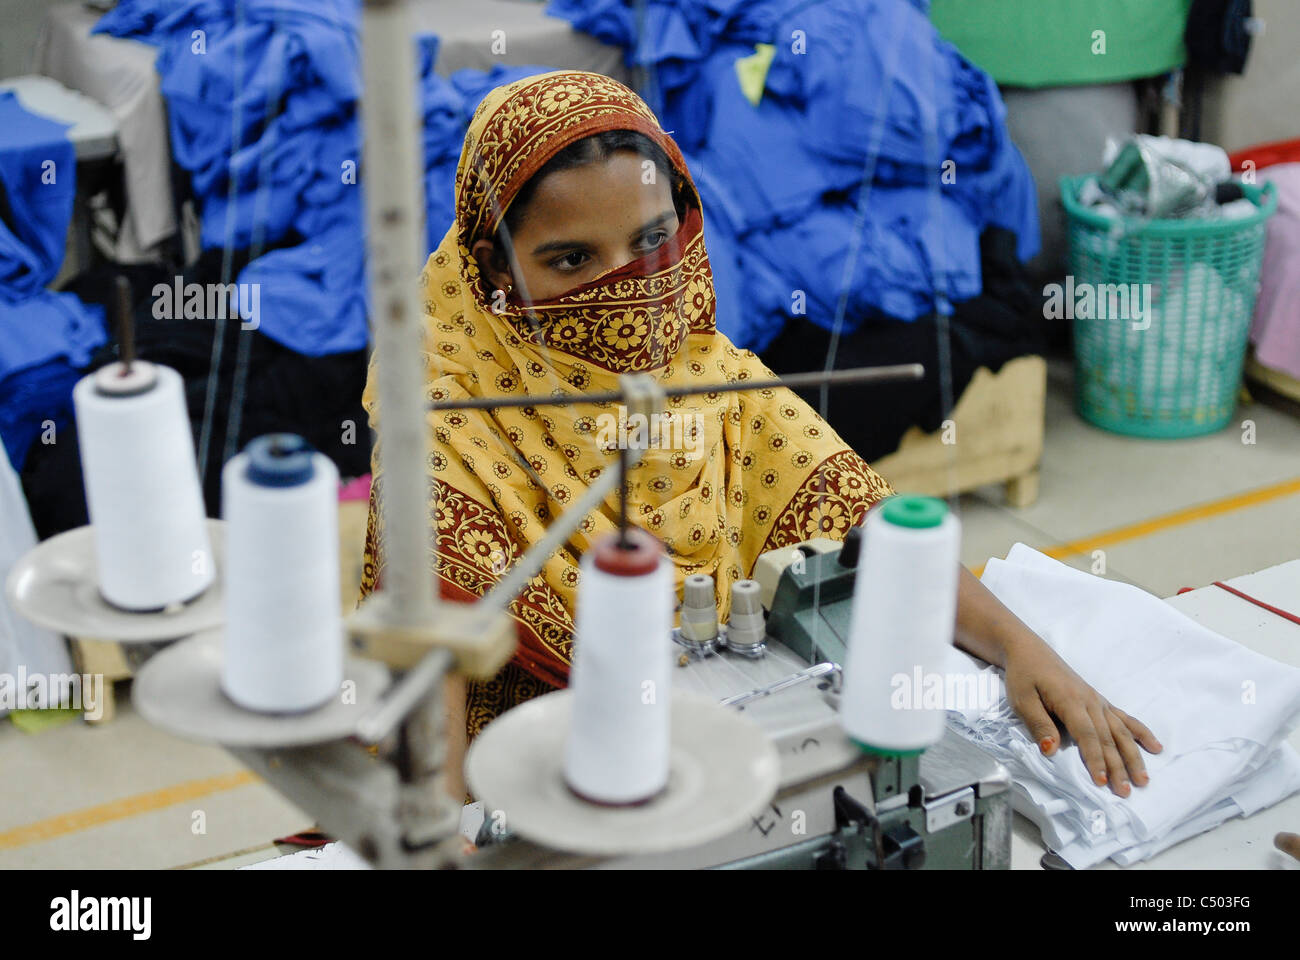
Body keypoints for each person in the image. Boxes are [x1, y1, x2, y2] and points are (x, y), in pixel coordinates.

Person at [358, 71, 1161, 802]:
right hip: (537, 792)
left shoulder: (713, 379)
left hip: (714, 751)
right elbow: (429, 740)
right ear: (496, 268)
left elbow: (871, 524)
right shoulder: (447, 433)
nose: (628, 287)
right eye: (572, 260)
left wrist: (1021, 649)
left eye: (651, 241)